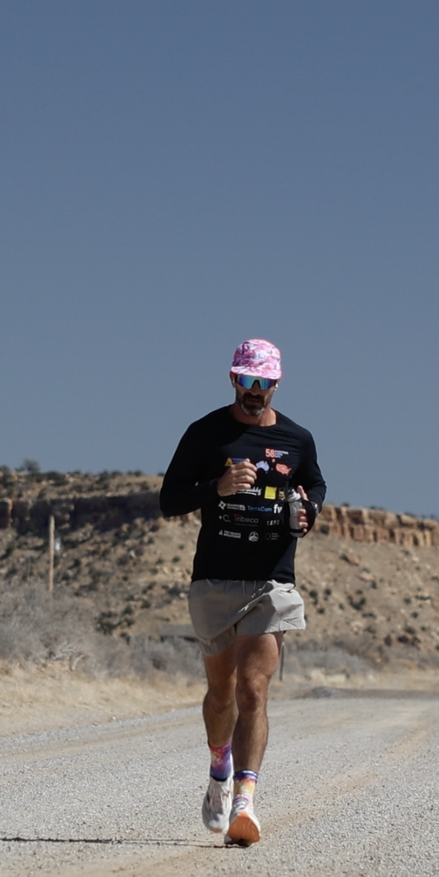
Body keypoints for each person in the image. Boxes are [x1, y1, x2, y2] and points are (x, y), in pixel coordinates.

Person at [158, 339, 326, 846]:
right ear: (234, 379)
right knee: (222, 693)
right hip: (214, 579)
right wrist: (217, 487)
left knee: (254, 689)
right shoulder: (205, 433)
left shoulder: (298, 439)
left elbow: (314, 487)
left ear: (277, 383)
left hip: (272, 578)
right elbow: (169, 500)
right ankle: (218, 767)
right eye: (247, 381)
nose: (255, 392)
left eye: (264, 383)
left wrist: (307, 513)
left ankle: (245, 803)